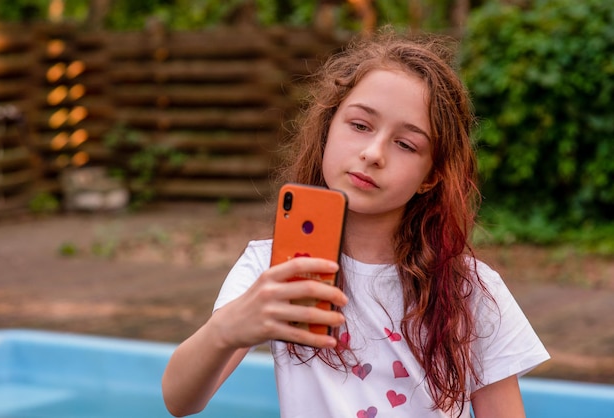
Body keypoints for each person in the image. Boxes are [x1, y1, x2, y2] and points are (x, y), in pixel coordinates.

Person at [162, 28, 549, 418]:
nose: (373, 153)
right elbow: (179, 401)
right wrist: (227, 329)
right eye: (361, 125)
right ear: (329, 127)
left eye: (406, 144)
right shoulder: (273, 269)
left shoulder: (470, 291)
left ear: (431, 175)